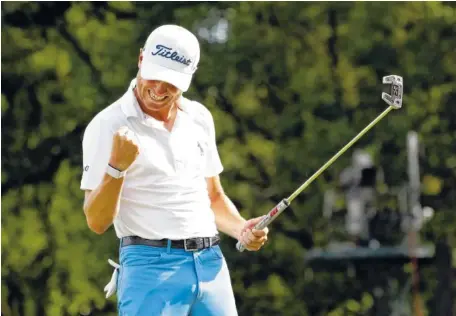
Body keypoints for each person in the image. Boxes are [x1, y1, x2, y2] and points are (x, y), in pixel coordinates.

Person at [80, 24, 269, 316]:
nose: (158, 89)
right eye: (154, 76)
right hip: (150, 269)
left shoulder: (199, 117)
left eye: (170, 82)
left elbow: (213, 197)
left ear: (188, 77)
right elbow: (96, 221)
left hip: (210, 265)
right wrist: (116, 167)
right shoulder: (107, 125)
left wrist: (241, 228)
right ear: (141, 59)